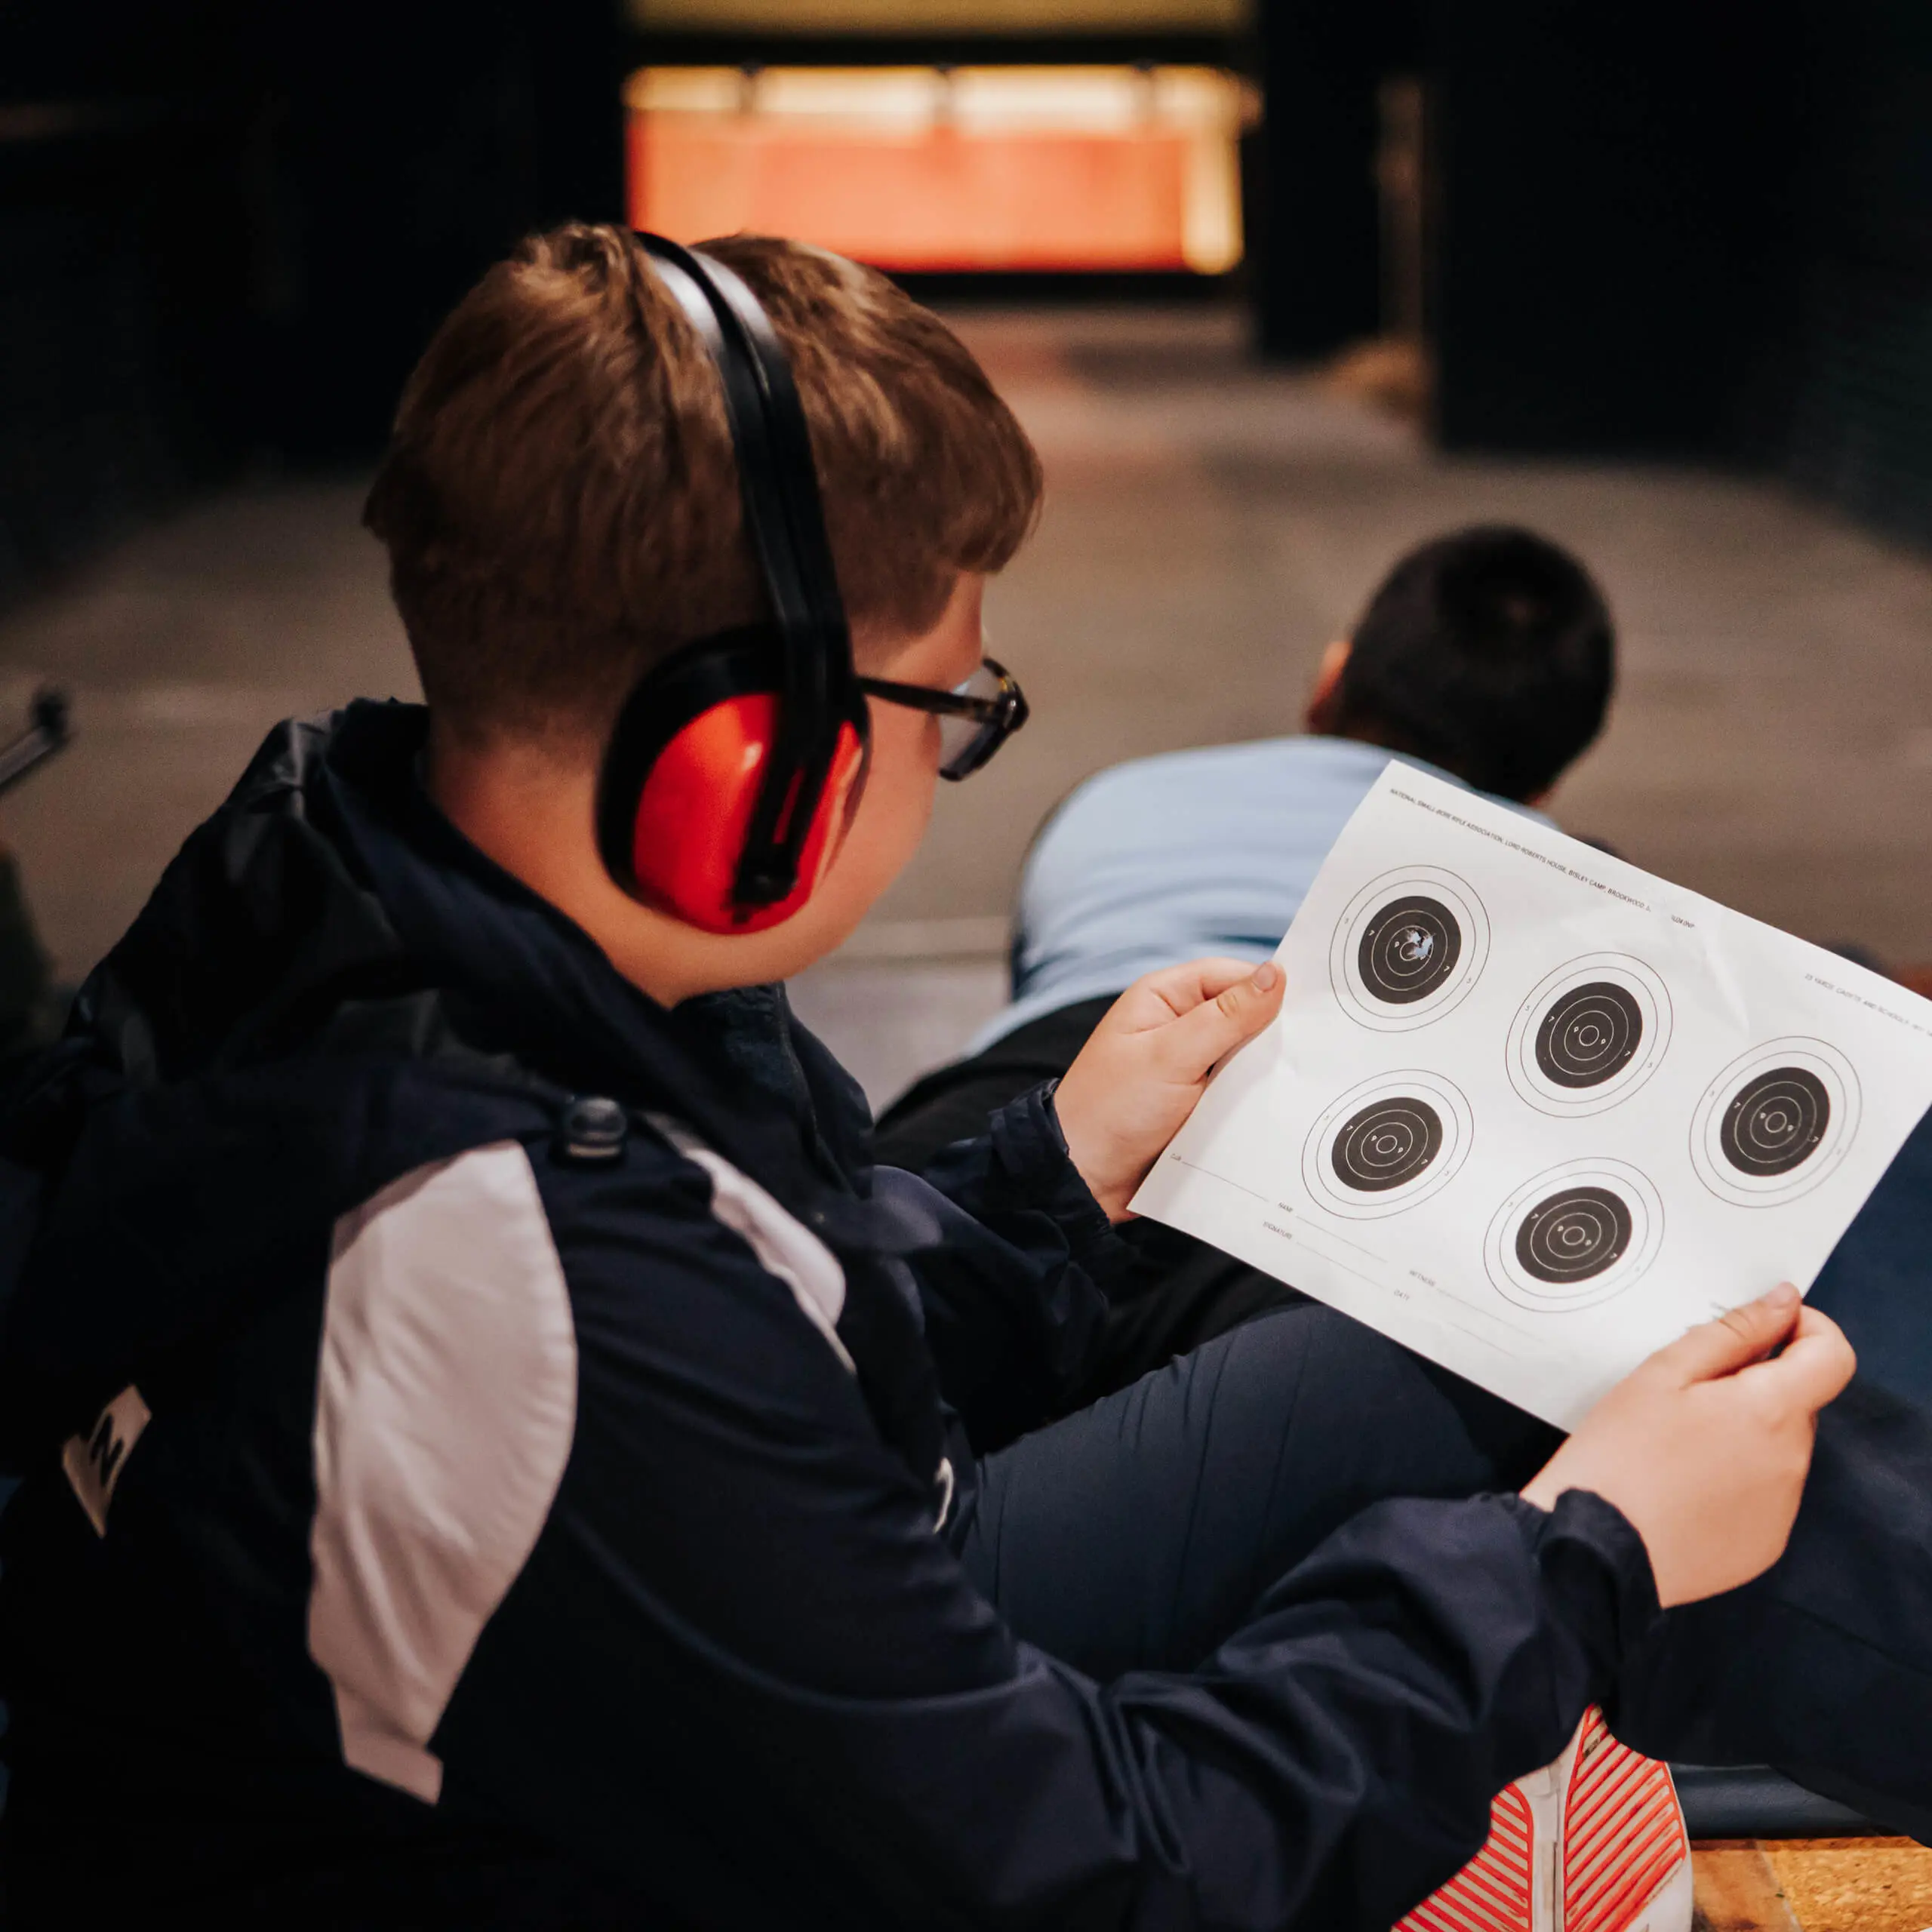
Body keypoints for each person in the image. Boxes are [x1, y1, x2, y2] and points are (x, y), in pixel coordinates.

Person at [0, 225, 1898, 1930]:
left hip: (679, 1711)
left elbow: (743, 1350)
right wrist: (1590, 1558)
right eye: (951, 713)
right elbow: (1100, 1864)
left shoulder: (352, 888)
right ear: (749, 758)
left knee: (1492, 1343)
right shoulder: (506, 1260)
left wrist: (1040, 1176)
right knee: (1572, 1444)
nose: (953, 759)